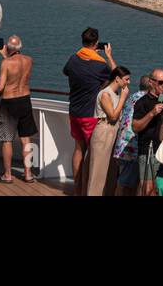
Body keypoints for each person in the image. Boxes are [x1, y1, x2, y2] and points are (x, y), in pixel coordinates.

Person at [62, 27, 117, 196]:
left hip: (74, 111)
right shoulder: (100, 65)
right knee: (93, 154)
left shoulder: (73, 59)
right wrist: (108, 56)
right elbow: (117, 77)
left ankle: (77, 188)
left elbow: (66, 72)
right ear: (96, 43)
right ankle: (88, 190)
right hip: (90, 115)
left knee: (78, 149)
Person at [0, 35, 37, 183]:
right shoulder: (29, 60)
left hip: (9, 103)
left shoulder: (6, 63)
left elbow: (0, 88)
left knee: (7, 140)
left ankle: (7, 175)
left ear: (7, 47)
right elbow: (17, 69)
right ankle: (28, 174)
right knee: (26, 139)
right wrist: (5, 56)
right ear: (20, 47)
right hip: (25, 100)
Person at [86, 66, 130, 196]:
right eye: (126, 79)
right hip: (104, 132)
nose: (128, 82)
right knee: (98, 172)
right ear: (117, 79)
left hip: (113, 132)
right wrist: (123, 98)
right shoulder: (105, 94)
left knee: (111, 172)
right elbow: (113, 116)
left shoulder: (115, 93)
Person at [129, 68, 163, 197]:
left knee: (158, 188)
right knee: (147, 188)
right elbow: (135, 127)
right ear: (151, 82)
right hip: (148, 150)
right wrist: (152, 113)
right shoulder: (142, 102)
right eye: (161, 82)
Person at [111, 74, 150, 196]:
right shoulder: (145, 100)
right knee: (125, 183)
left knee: (126, 182)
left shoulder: (133, 96)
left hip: (122, 146)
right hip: (132, 148)